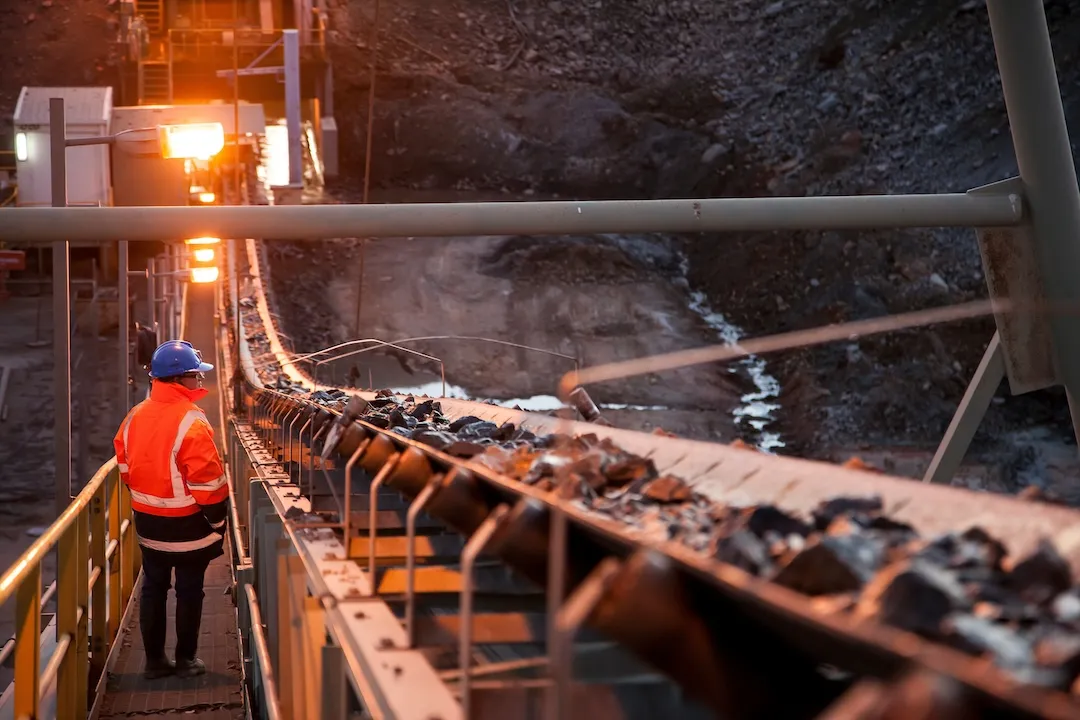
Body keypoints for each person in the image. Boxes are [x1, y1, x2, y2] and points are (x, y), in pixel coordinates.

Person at [113, 340, 229, 679]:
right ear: (180, 379)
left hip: (149, 525)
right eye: (196, 376)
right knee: (190, 590)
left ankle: (153, 662)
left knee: (153, 587)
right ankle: (186, 660)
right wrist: (217, 521)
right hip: (188, 527)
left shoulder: (134, 416)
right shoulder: (191, 421)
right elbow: (208, 484)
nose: (200, 382)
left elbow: (124, 467)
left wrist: (147, 499)